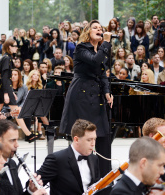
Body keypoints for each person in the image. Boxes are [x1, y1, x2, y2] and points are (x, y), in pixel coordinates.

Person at [60, 20, 113, 177]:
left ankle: (105, 179)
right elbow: (95, 60)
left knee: (103, 136)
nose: (99, 30)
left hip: (96, 95)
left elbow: (102, 73)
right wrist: (107, 43)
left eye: (100, 28)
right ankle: (85, 177)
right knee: (86, 135)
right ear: (87, 32)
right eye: (95, 28)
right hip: (81, 95)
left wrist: (107, 92)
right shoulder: (81, 47)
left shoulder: (102, 49)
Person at [0, 39, 38, 142]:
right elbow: (5, 78)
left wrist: (10, 92)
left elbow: (4, 77)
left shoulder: (5, 58)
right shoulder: (7, 59)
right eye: (15, 46)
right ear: (9, 47)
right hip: (4, 90)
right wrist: (8, 93)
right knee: (16, 111)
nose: (17, 47)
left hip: (2, 89)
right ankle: (28, 134)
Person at [37, 119, 100, 195]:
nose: (93, 144)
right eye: (89, 140)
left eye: (94, 139)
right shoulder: (57, 159)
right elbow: (34, 185)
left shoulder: (94, 158)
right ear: (76, 139)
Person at [0, 120, 46, 195]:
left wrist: (31, 190)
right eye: (12, 140)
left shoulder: (11, 163)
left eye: (17, 140)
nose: (17, 145)